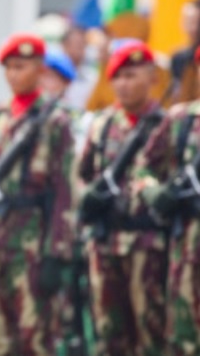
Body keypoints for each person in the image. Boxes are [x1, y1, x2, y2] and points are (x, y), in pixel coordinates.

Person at [0, 34, 75, 355]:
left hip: (33, 247)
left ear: (39, 69)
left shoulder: (55, 120)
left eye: (21, 67)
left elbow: (66, 189)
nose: (13, 74)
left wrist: (57, 252)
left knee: (35, 339)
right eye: (8, 68)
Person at [76, 41, 168, 355]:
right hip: (105, 242)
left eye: (132, 75)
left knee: (151, 332)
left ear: (152, 77)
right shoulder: (102, 125)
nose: (124, 84)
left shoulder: (167, 124)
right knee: (107, 333)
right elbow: (82, 175)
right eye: (118, 77)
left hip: (150, 244)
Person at [136, 45, 200, 354]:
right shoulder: (181, 119)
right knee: (182, 340)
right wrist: (154, 192)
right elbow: (144, 166)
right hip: (187, 248)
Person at [61, 26, 98, 111]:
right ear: (64, 45)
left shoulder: (92, 77)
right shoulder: (52, 73)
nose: (81, 48)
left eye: (84, 44)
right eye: (77, 44)